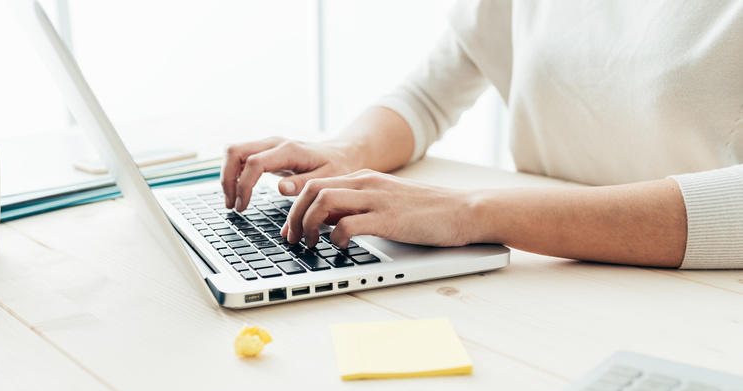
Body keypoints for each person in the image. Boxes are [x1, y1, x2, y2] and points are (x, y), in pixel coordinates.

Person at [220, 1, 743, 269]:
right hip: (552, 274)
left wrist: (474, 211)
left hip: (704, 299)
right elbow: (427, 96)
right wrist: (345, 152)